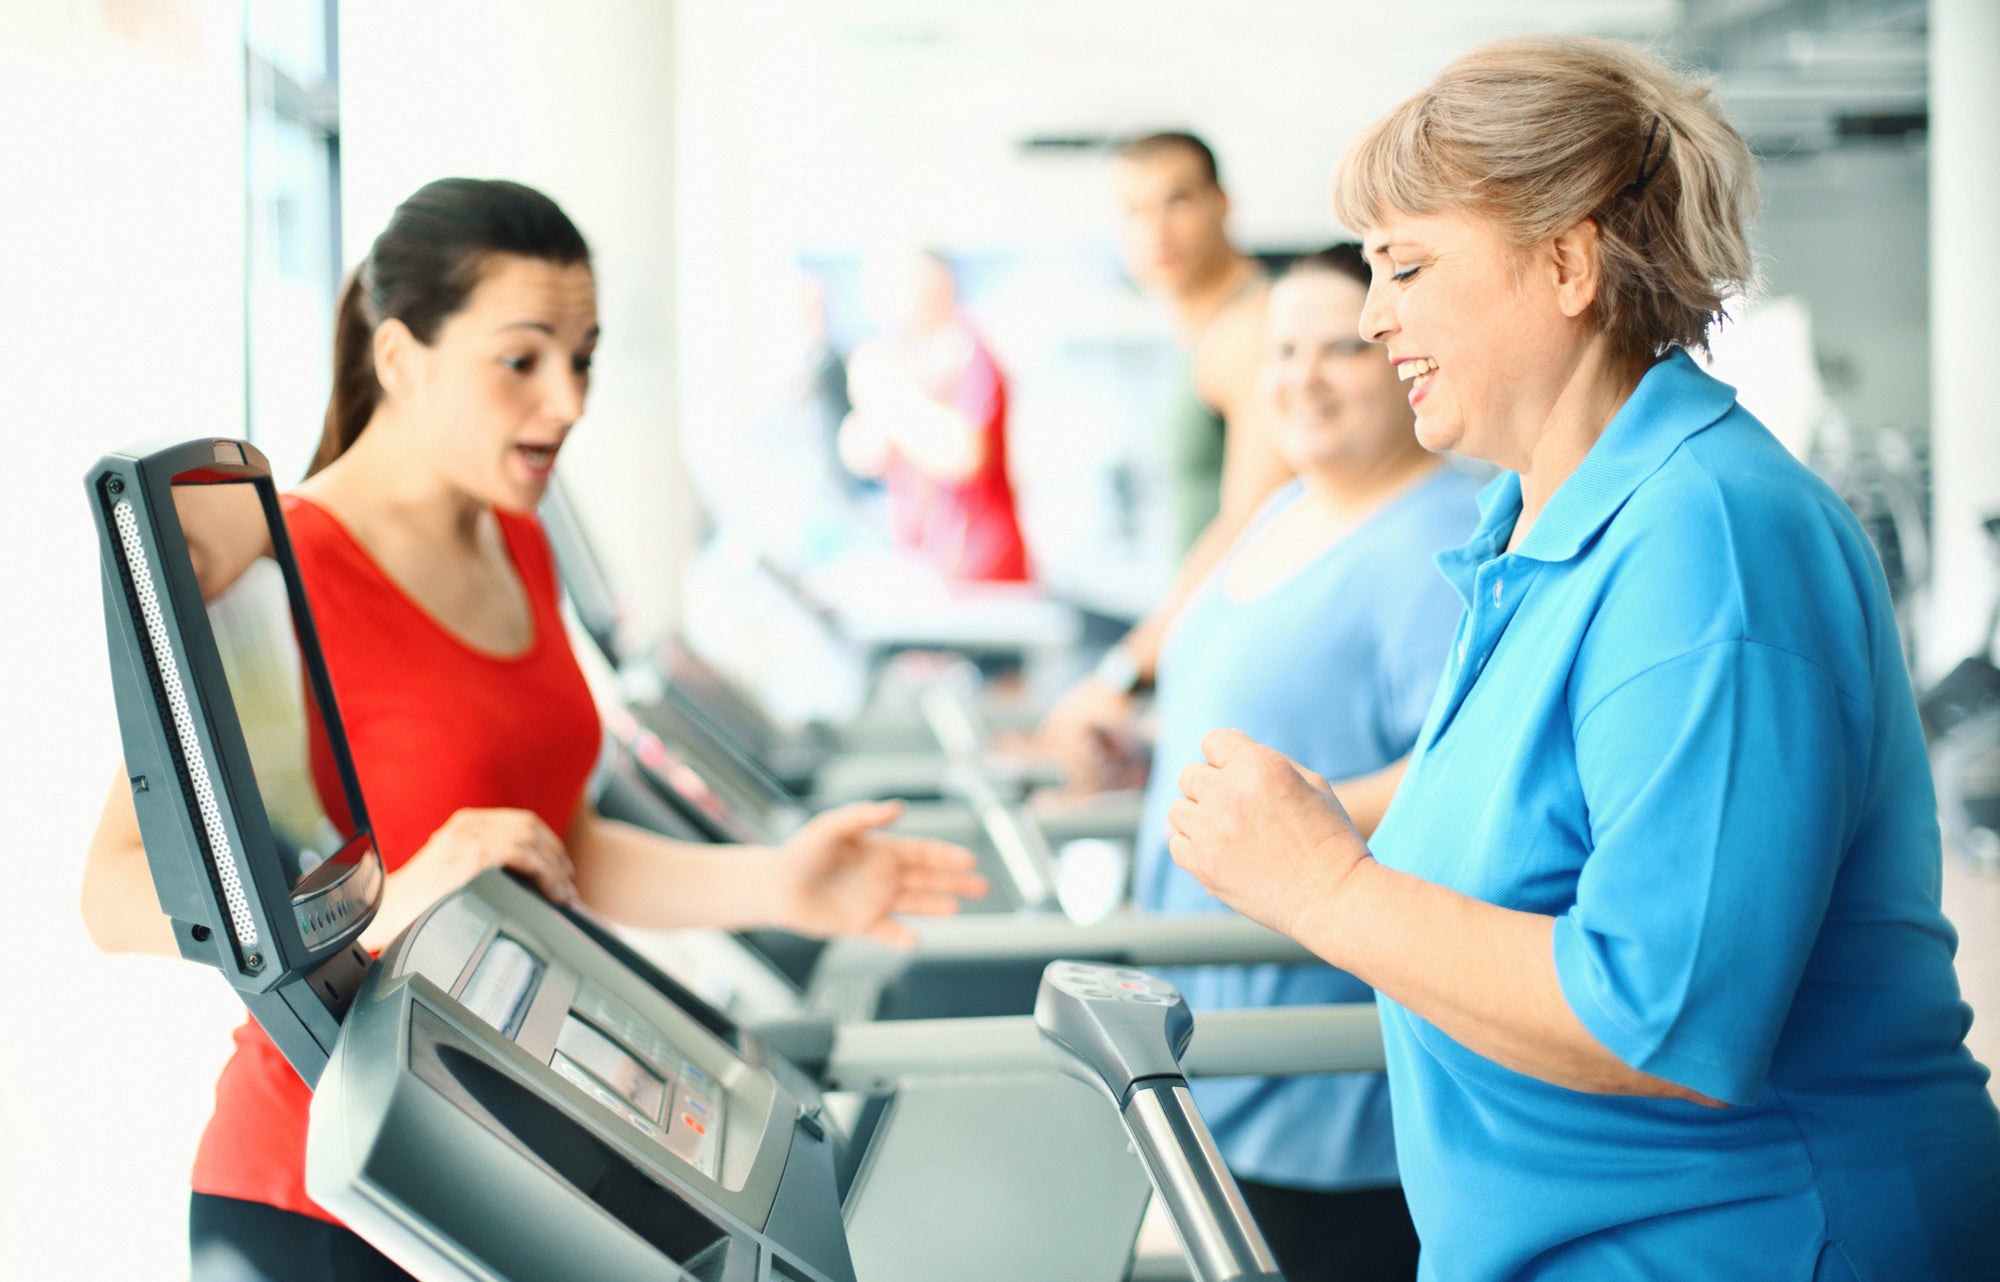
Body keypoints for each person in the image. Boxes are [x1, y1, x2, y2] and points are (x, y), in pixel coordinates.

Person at [1166, 36, 2000, 1280]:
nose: (1371, 311)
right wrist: (1312, 827)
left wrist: (1323, 887)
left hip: (1756, 1241)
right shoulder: (1538, 532)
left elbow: (1661, 1018)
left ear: (1564, 262)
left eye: (1404, 264)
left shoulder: (1706, 540)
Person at [80, 178, 987, 1282]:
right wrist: (386, 898)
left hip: (510, 1166)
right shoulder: (293, 567)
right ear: (402, 358)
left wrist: (778, 885)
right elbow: (117, 889)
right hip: (321, 1185)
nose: (567, 400)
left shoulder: (518, 546)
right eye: (521, 360)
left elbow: (560, 848)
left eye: (583, 358)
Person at [1134, 244, 1479, 1282]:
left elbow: (1465, 774)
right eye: (1284, 349)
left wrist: (1298, 814)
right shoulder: (1284, 509)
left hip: (1326, 1078)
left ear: (1402, 360)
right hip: (1221, 1046)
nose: (1303, 375)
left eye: (1343, 347)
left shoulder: (1439, 537)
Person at [1037, 132, 1293, 789]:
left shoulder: (1251, 331)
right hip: (1207, 646)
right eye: (1133, 210)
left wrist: (1125, 672)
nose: (1156, 230)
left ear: (1221, 204)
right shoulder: (1201, 332)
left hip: (1252, 659)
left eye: (1176, 201)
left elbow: (1252, 520)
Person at [838, 247, 1030, 583]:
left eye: (905, 286)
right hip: (929, 566)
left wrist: (884, 392)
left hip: (981, 571)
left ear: (941, 286)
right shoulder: (907, 360)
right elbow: (868, 451)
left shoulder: (969, 348)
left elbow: (962, 455)